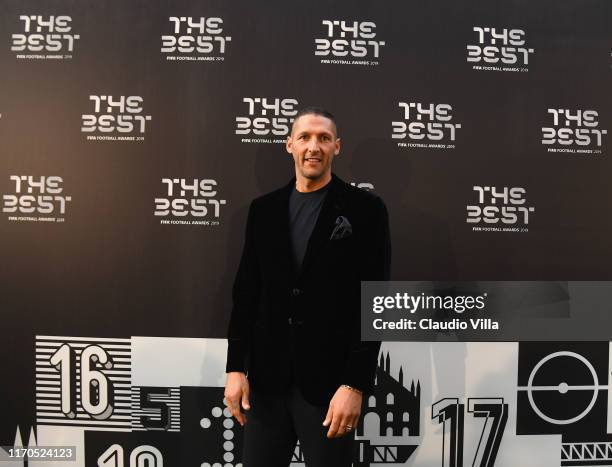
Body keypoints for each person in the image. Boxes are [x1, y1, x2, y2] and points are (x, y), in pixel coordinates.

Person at [224, 107, 391, 466]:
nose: (313, 146)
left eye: (323, 138)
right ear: (290, 145)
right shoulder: (262, 210)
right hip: (267, 384)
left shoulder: (366, 210)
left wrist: (354, 385)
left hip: (330, 387)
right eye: (304, 137)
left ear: (337, 147)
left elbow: (374, 302)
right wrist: (235, 367)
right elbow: (246, 293)